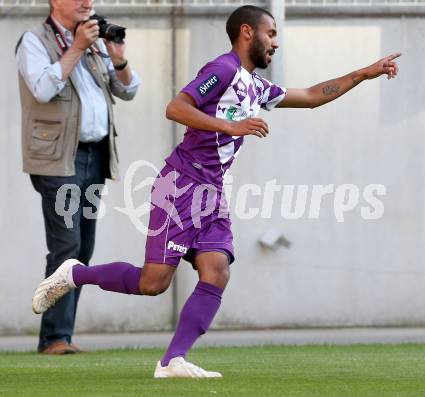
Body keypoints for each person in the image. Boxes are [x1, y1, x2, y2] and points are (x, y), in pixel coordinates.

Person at [31, 5, 399, 373]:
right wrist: (229, 126)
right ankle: (73, 274)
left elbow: (313, 94)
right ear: (247, 32)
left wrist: (364, 74)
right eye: (271, 34)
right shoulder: (222, 70)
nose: (275, 43)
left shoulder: (256, 86)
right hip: (181, 186)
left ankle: (173, 360)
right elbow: (176, 107)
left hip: (213, 193)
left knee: (217, 270)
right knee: (153, 283)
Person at [16, 0, 140, 354]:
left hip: (95, 157)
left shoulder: (94, 39)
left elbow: (128, 91)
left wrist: (118, 56)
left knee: (82, 249)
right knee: (67, 246)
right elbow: (42, 89)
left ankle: (61, 335)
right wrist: (77, 48)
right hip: (58, 160)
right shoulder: (34, 41)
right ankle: (54, 338)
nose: (88, 3)